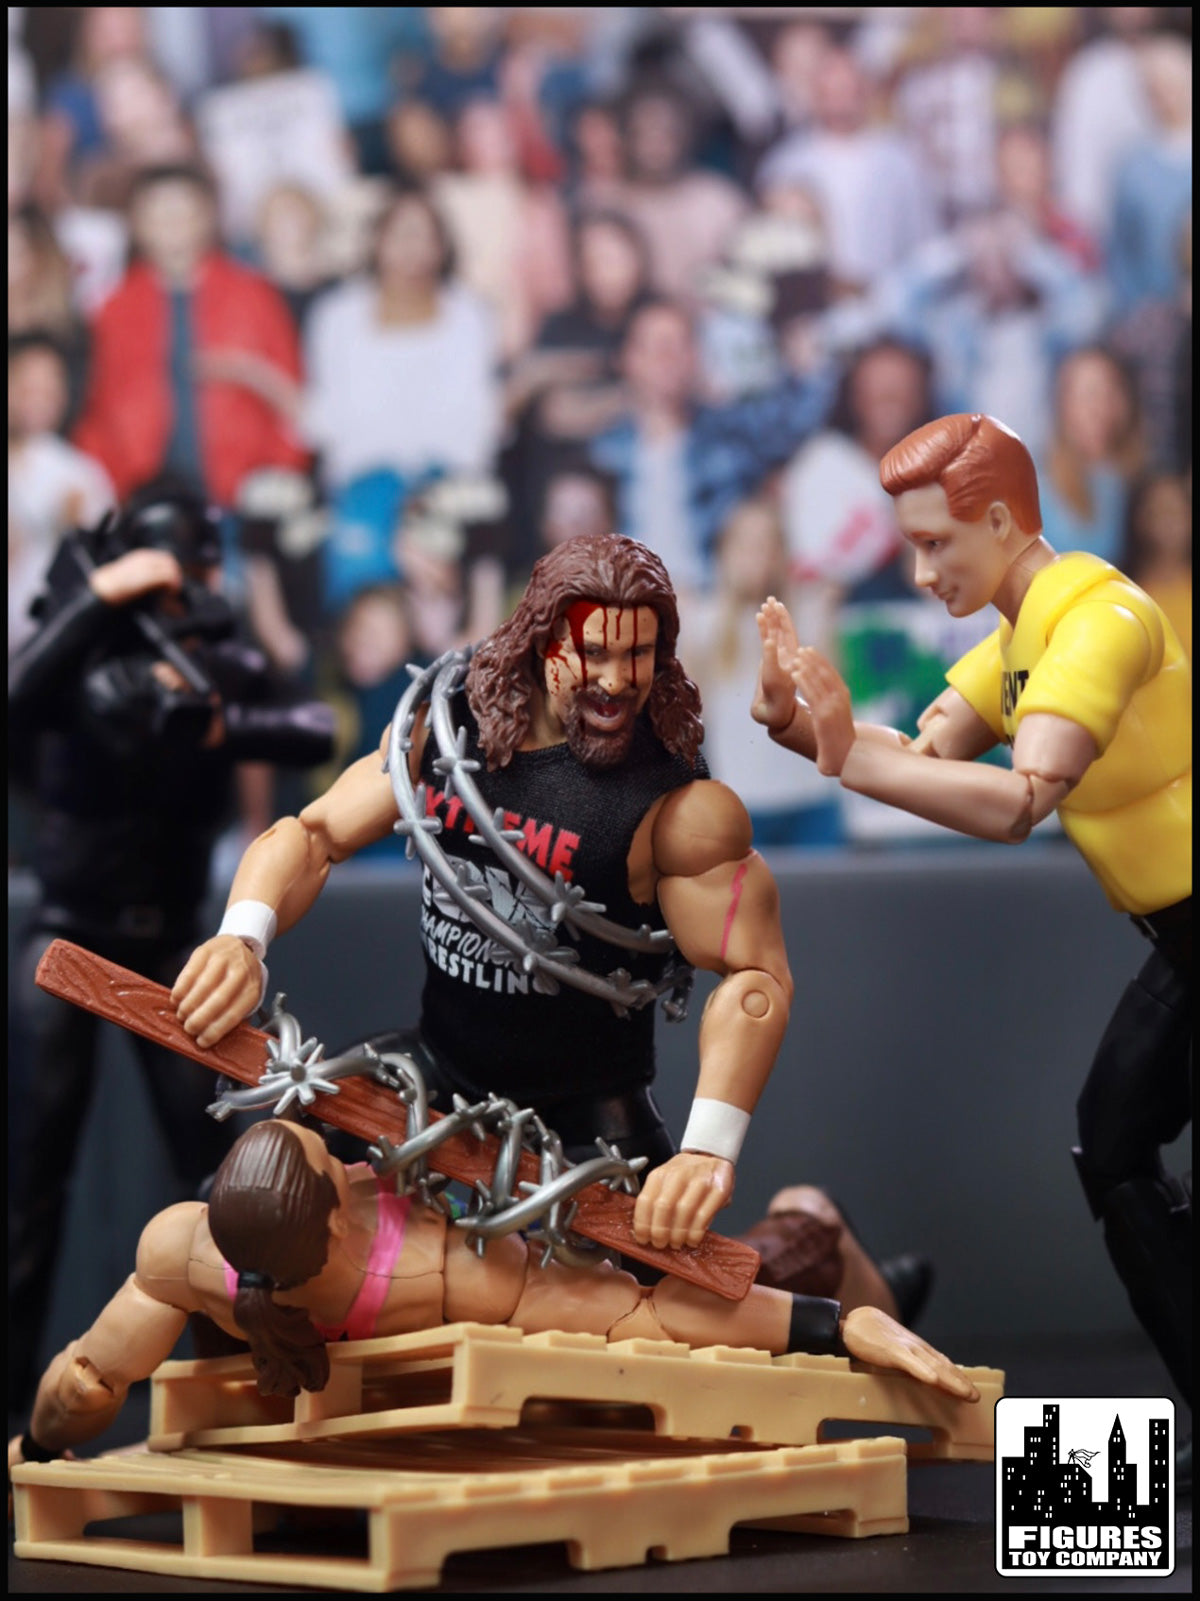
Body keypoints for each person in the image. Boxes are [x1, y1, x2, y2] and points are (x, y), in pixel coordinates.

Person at [171, 534, 889, 1285]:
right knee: (252, 1203)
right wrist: (241, 937)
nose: (616, 681)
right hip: (436, 1069)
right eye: (594, 653)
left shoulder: (676, 809)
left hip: (589, 1120)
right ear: (543, 642)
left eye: (637, 655)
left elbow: (756, 977)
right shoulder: (447, 725)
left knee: (688, 1308)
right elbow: (314, 835)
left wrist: (709, 1149)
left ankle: (813, 1237)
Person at [753, 413, 1191, 1418]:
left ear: (998, 521)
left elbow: (1017, 801)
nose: (920, 572)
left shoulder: (1099, 621)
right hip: (1178, 940)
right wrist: (795, 723)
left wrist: (847, 757)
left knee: (1118, 1143)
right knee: (1113, 1145)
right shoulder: (1020, 639)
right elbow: (919, 754)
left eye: (934, 543)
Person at [10, 1117, 978, 1468]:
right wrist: (833, 1325)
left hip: (503, 1393)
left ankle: (849, 1261)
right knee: (792, 1239)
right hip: (536, 1389)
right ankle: (820, 1229)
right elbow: (644, 1310)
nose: (352, 1158)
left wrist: (37, 1445)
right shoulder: (442, 1269)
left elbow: (90, 1377)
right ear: (339, 1216)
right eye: (337, 1159)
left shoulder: (184, 1248)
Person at [7, 483, 337, 1414]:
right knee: (29, 1179)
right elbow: (17, 698)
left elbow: (312, 727)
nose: (182, 582)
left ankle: (235, 1396)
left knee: (221, 1179)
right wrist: (98, 600)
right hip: (68, 930)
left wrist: (214, 722)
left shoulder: (216, 660)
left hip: (171, 948)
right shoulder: (78, 650)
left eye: (194, 564)